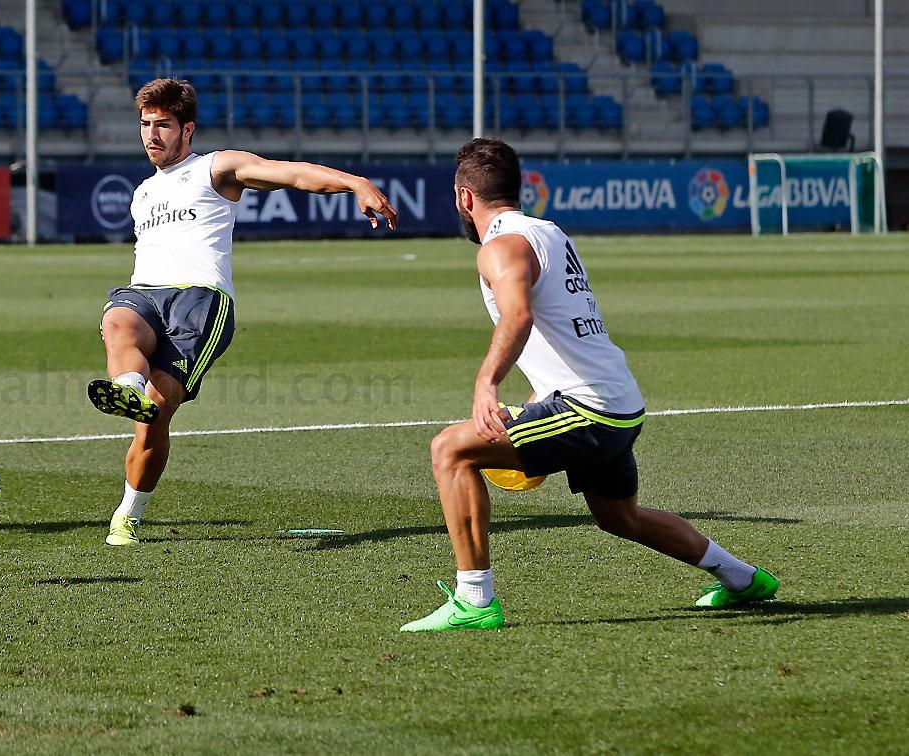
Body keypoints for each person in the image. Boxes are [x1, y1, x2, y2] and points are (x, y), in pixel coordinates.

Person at [399, 137, 777, 631]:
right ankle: (743, 579)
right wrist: (536, 399)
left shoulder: (500, 247)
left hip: (589, 410)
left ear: (463, 198)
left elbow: (519, 317)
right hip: (620, 405)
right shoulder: (550, 234)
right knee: (621, 518)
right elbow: (564, 332)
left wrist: (485, 385)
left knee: (450, 450)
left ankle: (474, 601)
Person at [87, 78, 397, 546]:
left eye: (163, 125)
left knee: (153, 423)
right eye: (145, 125)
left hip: (199, 304)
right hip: (145, 294)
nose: (152, 135)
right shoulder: (142, 192)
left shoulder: (217, 168)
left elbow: (290, 174)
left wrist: (354, 183)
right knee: (117, 320)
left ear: (187, 129)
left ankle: (128, 512)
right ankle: (127, 388)